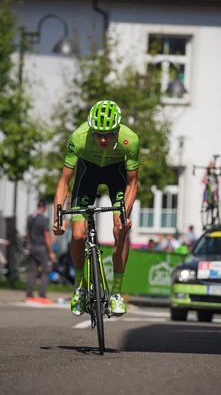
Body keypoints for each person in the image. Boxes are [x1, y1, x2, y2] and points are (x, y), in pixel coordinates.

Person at [52, 100, 139, 317]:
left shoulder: (131, 140)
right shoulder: (79, 138)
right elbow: (64, 181)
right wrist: (59, 217)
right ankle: (80, 287)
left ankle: (116, 293)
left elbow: (132, 183)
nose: (102, 139)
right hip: (87, 174)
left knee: (120, 229)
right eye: (98, 133)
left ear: (117, 130)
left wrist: (124, 213)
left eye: (108, 134)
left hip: (116, 174)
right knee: (79, 235)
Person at [25, 199, 56, 304]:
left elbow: (28, 233)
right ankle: (42, 295)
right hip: (41, 248)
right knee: (46, 270)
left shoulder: (31, 217)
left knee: (32, 271)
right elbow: (47, 236)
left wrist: (28, 244)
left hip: (32, 247)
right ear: (45, 207)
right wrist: (51, 251)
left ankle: (29, 295)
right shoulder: (44, 219)